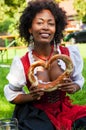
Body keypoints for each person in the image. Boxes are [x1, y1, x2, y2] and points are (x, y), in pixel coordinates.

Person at [4, 0, 86, 130]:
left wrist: (73, 87)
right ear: (30, 28)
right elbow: (12, 95)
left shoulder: (68, 54)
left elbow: (79, 80)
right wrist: (31, 96)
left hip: (62, 108)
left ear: (56, 28)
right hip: (36, 112)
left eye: (51, 23)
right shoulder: (22, 63)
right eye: (40, 22)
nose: (46, 27)